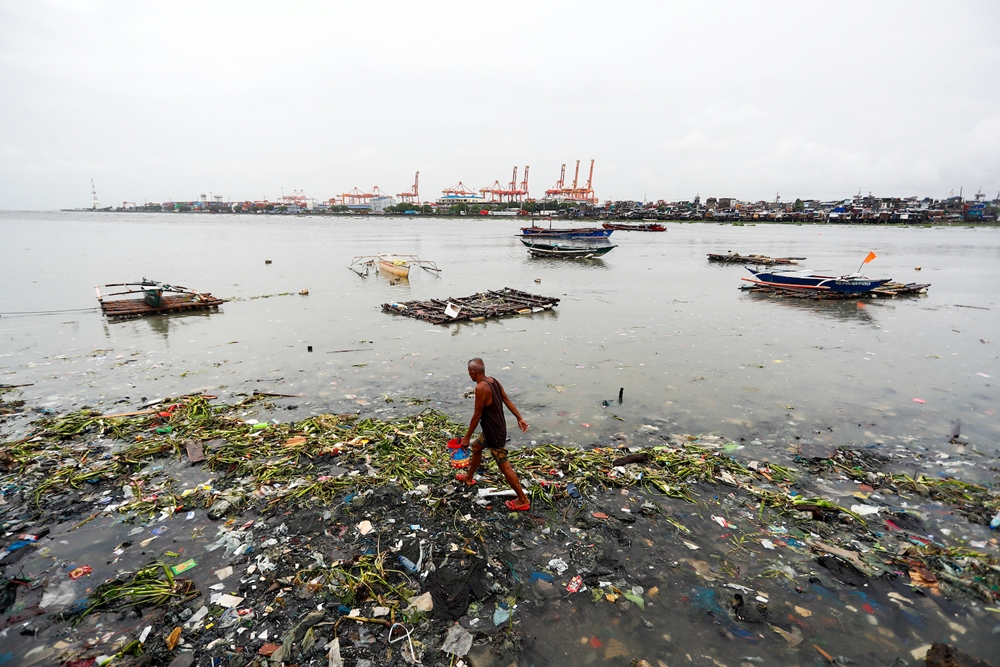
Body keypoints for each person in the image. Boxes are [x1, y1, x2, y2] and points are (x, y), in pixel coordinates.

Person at [456, 357, 531, 511]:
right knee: (476, 448)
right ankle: (469, 478)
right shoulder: (493, 381)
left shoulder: (481, 388)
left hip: (494, 434)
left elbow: (477, 415)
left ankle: (523, 499)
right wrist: (520, 418)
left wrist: (466, 437)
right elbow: (506, 399)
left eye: (469, 372)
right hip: (493, 429)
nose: (469, 375)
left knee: (505, 467)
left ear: (472, 372)